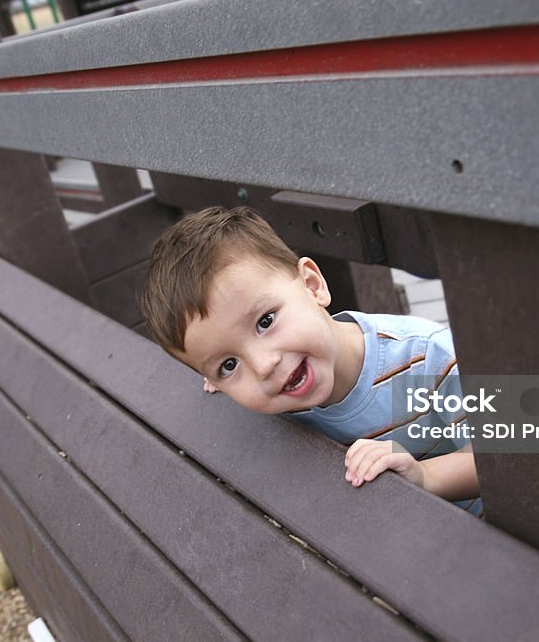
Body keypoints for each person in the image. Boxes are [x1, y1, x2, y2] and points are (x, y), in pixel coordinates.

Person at [139, 206, 481, 514]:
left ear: (313, 285)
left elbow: (527, 442)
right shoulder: (273, 386)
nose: (264, 365)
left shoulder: (426, 357)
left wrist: (425, 477)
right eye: (229, 364)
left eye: (265, 321)